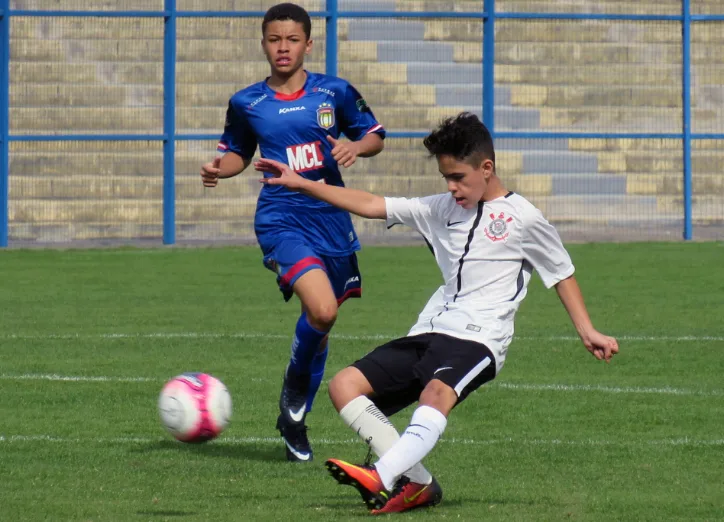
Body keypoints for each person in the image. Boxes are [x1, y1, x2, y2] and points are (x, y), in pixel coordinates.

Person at [253, 112, 620, 513]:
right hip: (429, 332)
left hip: (479, 339)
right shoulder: (440, 208)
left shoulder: (523, 218)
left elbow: (561, 273)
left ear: (487, 168)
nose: (451, 187)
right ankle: (419, 482)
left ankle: (382, 475)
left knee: (436, 393)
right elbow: (372, 204)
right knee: (344, 386)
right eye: (446, 177)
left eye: (459, 177)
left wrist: (588, 331)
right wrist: (302, 183)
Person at [199, 3, 385, 463]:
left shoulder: (334, 91)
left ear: (307, 43)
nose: (282, 48)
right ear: (263, 42)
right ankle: (294, 400)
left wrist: (354, 146)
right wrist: (217, 169)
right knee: (321, 311)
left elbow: (376, 135)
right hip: (281, 217)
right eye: (274, 39)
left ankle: (294, 418)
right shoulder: (247, 102)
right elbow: (237, 153)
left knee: (321, 323)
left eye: (292, 39)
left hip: (331, 218)